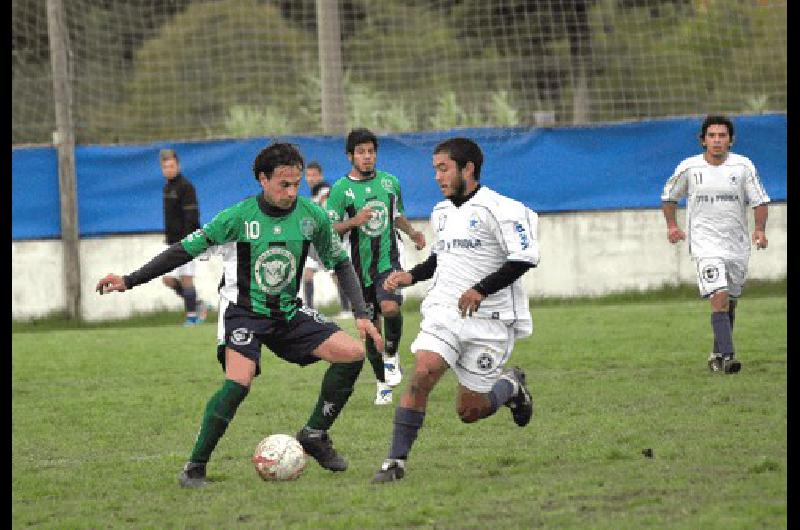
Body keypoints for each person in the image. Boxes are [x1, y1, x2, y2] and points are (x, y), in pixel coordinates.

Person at [96, 142, 384, 488]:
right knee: (239, 381)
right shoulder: (237, 218)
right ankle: (195, 467)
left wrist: (362, 313)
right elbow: (181, 250)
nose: (292, 192)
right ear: (263, 179)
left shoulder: (311, 216)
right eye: (284, 184)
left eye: (296, 184)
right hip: (243, 314)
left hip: (288, 312)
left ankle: (314, 433)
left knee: (352, 354)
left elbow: (339, 262)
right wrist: (130, 279)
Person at [371, 137, 538, 483]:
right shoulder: (442, 212)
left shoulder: (503, 209)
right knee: (422, 374)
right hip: (445, 312)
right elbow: (440, 257)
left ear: (468, 169)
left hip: (490, 321)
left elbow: (524, 258)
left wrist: (481, 289)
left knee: (470, 411)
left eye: (443, 168)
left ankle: (511, 386)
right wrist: (411, 276)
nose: (437, 176)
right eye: (435, 169)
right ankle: (395, 463)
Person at [661, 115, 770, 374]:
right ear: (703, 140)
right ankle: (729, 357)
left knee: (730, 301)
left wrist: (760, 230)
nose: (717, 140)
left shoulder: (743, 167)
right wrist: (672, 226)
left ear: (731, 140)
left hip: (736, 246)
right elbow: (669, 197)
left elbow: (760, 202)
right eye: (712, 136)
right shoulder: (689, 168)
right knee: (718, 295)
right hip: (705, 245)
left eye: (722, 136)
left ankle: (717, 354)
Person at [326, 128, 426, 405]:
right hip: (357, 269)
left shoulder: (390, 183)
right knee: (370, 329)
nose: (367, 157)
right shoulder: (339, 190)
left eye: (371, 151)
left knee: (391, 307)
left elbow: (396, 216)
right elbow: (330, 228)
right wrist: (353, 222)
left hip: (388, 261)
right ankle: (382, 381)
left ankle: (392, 356)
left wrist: (413, 233)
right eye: (361, 152)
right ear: (350, 156)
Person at [158, 148, 208, 326]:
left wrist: (192, 241)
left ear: (178, 166)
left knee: (186, 279)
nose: (168, 169)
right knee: (167, 279)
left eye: (171, 166)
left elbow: (192, 216)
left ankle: (192, 317)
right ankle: (198, 304)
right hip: (171, 242)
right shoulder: (166, 188)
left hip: (186, 242)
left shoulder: (186, 187)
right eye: (165, 167)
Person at [301, 161, 351, 316]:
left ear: (320, 176)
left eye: (314, 175)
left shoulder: (324, 191)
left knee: (335, 274)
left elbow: (327, 211)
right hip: (314, 243)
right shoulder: (314, 194)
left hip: (327, 242)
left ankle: (346, 309)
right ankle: (309, 310)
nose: (311, 178)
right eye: (308, 175)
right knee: (308, 273)